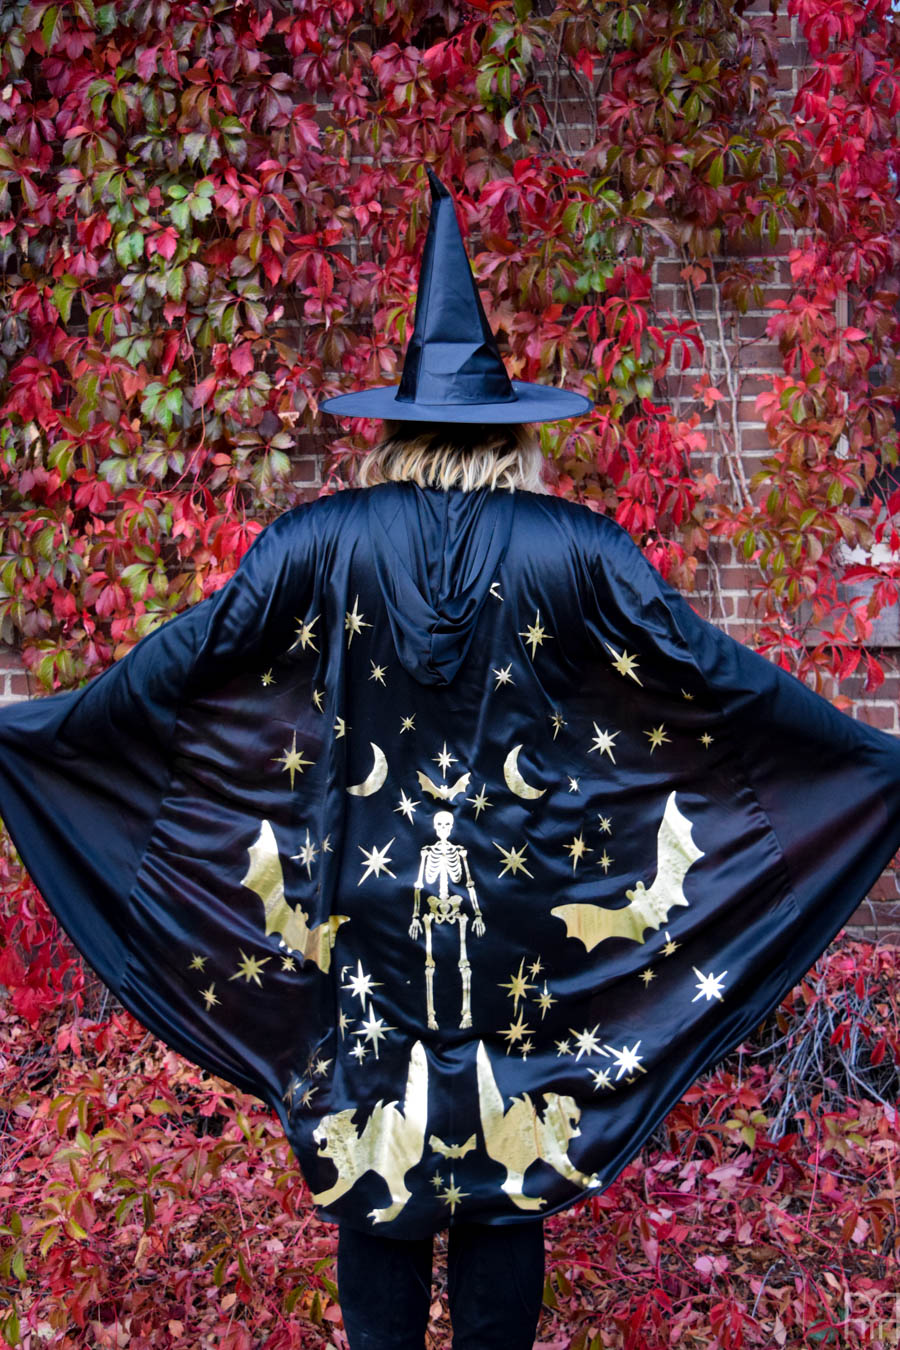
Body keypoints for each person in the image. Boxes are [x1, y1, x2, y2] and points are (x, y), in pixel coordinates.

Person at [2, 168, 900, 1350]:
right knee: (507, 1144)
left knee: (376, 1134)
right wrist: (869, 759)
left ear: (395, 425)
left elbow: (183, 664)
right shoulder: (574, 547)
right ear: (514, 432)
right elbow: (713, 676)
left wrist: (35, 730)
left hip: (360, 914)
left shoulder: (320, 540)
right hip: (522, 914)